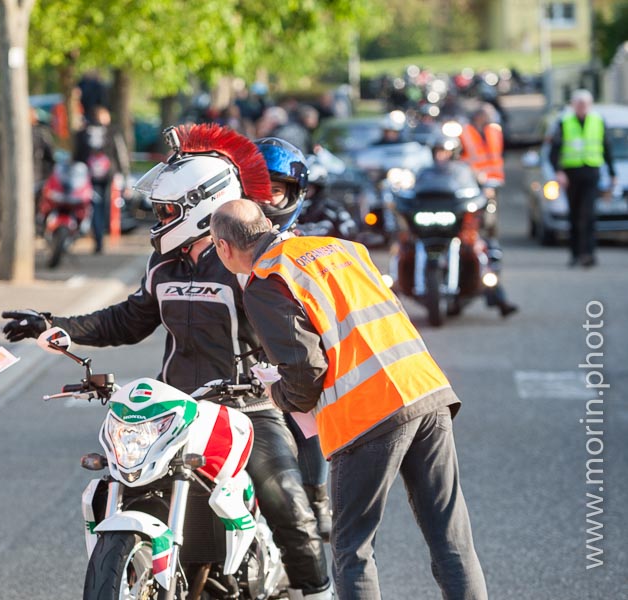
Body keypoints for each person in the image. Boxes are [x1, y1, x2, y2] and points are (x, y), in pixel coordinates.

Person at [3, 124, 333, 600]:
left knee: (285, 496)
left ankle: (318, 592)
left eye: (166, 210)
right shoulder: (164, 265)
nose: (158, 219)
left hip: (249, 408)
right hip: (178, 405)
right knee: (124, 481)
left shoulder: (248, 264)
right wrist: (55, 324)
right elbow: (128, 321)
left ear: (201, 207)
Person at [210, 198, 488, 600]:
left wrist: (277, 393)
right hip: (426, 390)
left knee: (352, 550)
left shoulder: (267, 279)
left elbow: (306, 374)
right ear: (267, 223)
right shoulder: (340, 248)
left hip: (368, 414)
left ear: (223, 247)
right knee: (451, 538)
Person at [255, 136, 331, 541]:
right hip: (238, 374)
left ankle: (318, 499)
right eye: (256, 190)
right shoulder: (219, 246)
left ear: (295, 194)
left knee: (307, 417)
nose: (266, 201)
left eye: (276, 190)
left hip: (291, 366)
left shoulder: (304, 247)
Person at [426, 136, 518, 317]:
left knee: (483, 252)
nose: (441, 156)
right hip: (431, 227)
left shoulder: (465, 171)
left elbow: (481, 192)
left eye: (445, 152)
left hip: (459, 228)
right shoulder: (425, 173)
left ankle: (499, 298)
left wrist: (485, 190)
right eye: (438, 152)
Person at [549, 89, 618, 268]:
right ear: (573, 105)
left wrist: (612, 173)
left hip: (591, 172)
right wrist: (558, 172)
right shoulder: (565, 122)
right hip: (571, 174)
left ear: (590, 105)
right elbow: (554, 150)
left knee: (588, 214)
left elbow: (607, 147)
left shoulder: (597, 121)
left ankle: (588, 253)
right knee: (574, 214)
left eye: (585, 104)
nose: (582, 107)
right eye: (578, 104)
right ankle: (575, 254)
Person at [73, 106, 129, 254]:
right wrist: (124, 174)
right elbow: (120, 154)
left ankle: (98, 236)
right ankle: (100, 235)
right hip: (107, 176)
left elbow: (77, 155)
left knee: (95, 206)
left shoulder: (83, 133)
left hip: (89, 175)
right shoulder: (112, 132)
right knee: (104, 207)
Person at [459, 103, 505, 236]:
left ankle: (490, 236)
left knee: (490, 212)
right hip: (471, 179)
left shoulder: (494, 131)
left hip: (493, 179)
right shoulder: (465, 131)